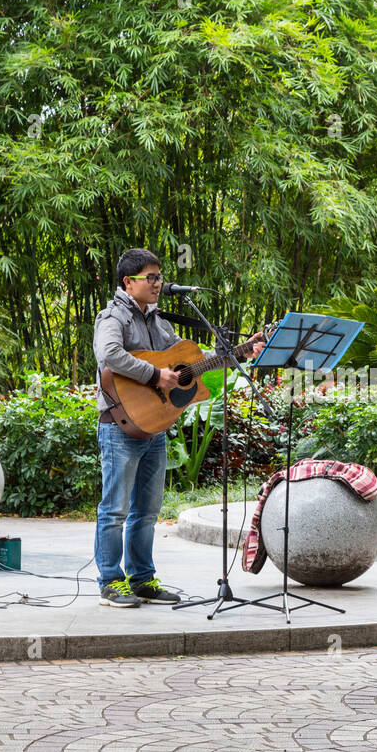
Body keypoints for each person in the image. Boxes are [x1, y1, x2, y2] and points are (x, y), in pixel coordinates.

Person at [92, 248, 262, 607]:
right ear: (128, 282)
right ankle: (110, 581)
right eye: (150, 278)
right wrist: (155, 374)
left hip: (154, 426)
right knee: (115, 510)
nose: (158, 284)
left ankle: (141, 580)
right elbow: (109, 355)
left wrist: (239, 353)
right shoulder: (113, 318)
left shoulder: (160, 322)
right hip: (119, 426)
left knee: (147, 511)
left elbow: (191, 364)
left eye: (159, 277)